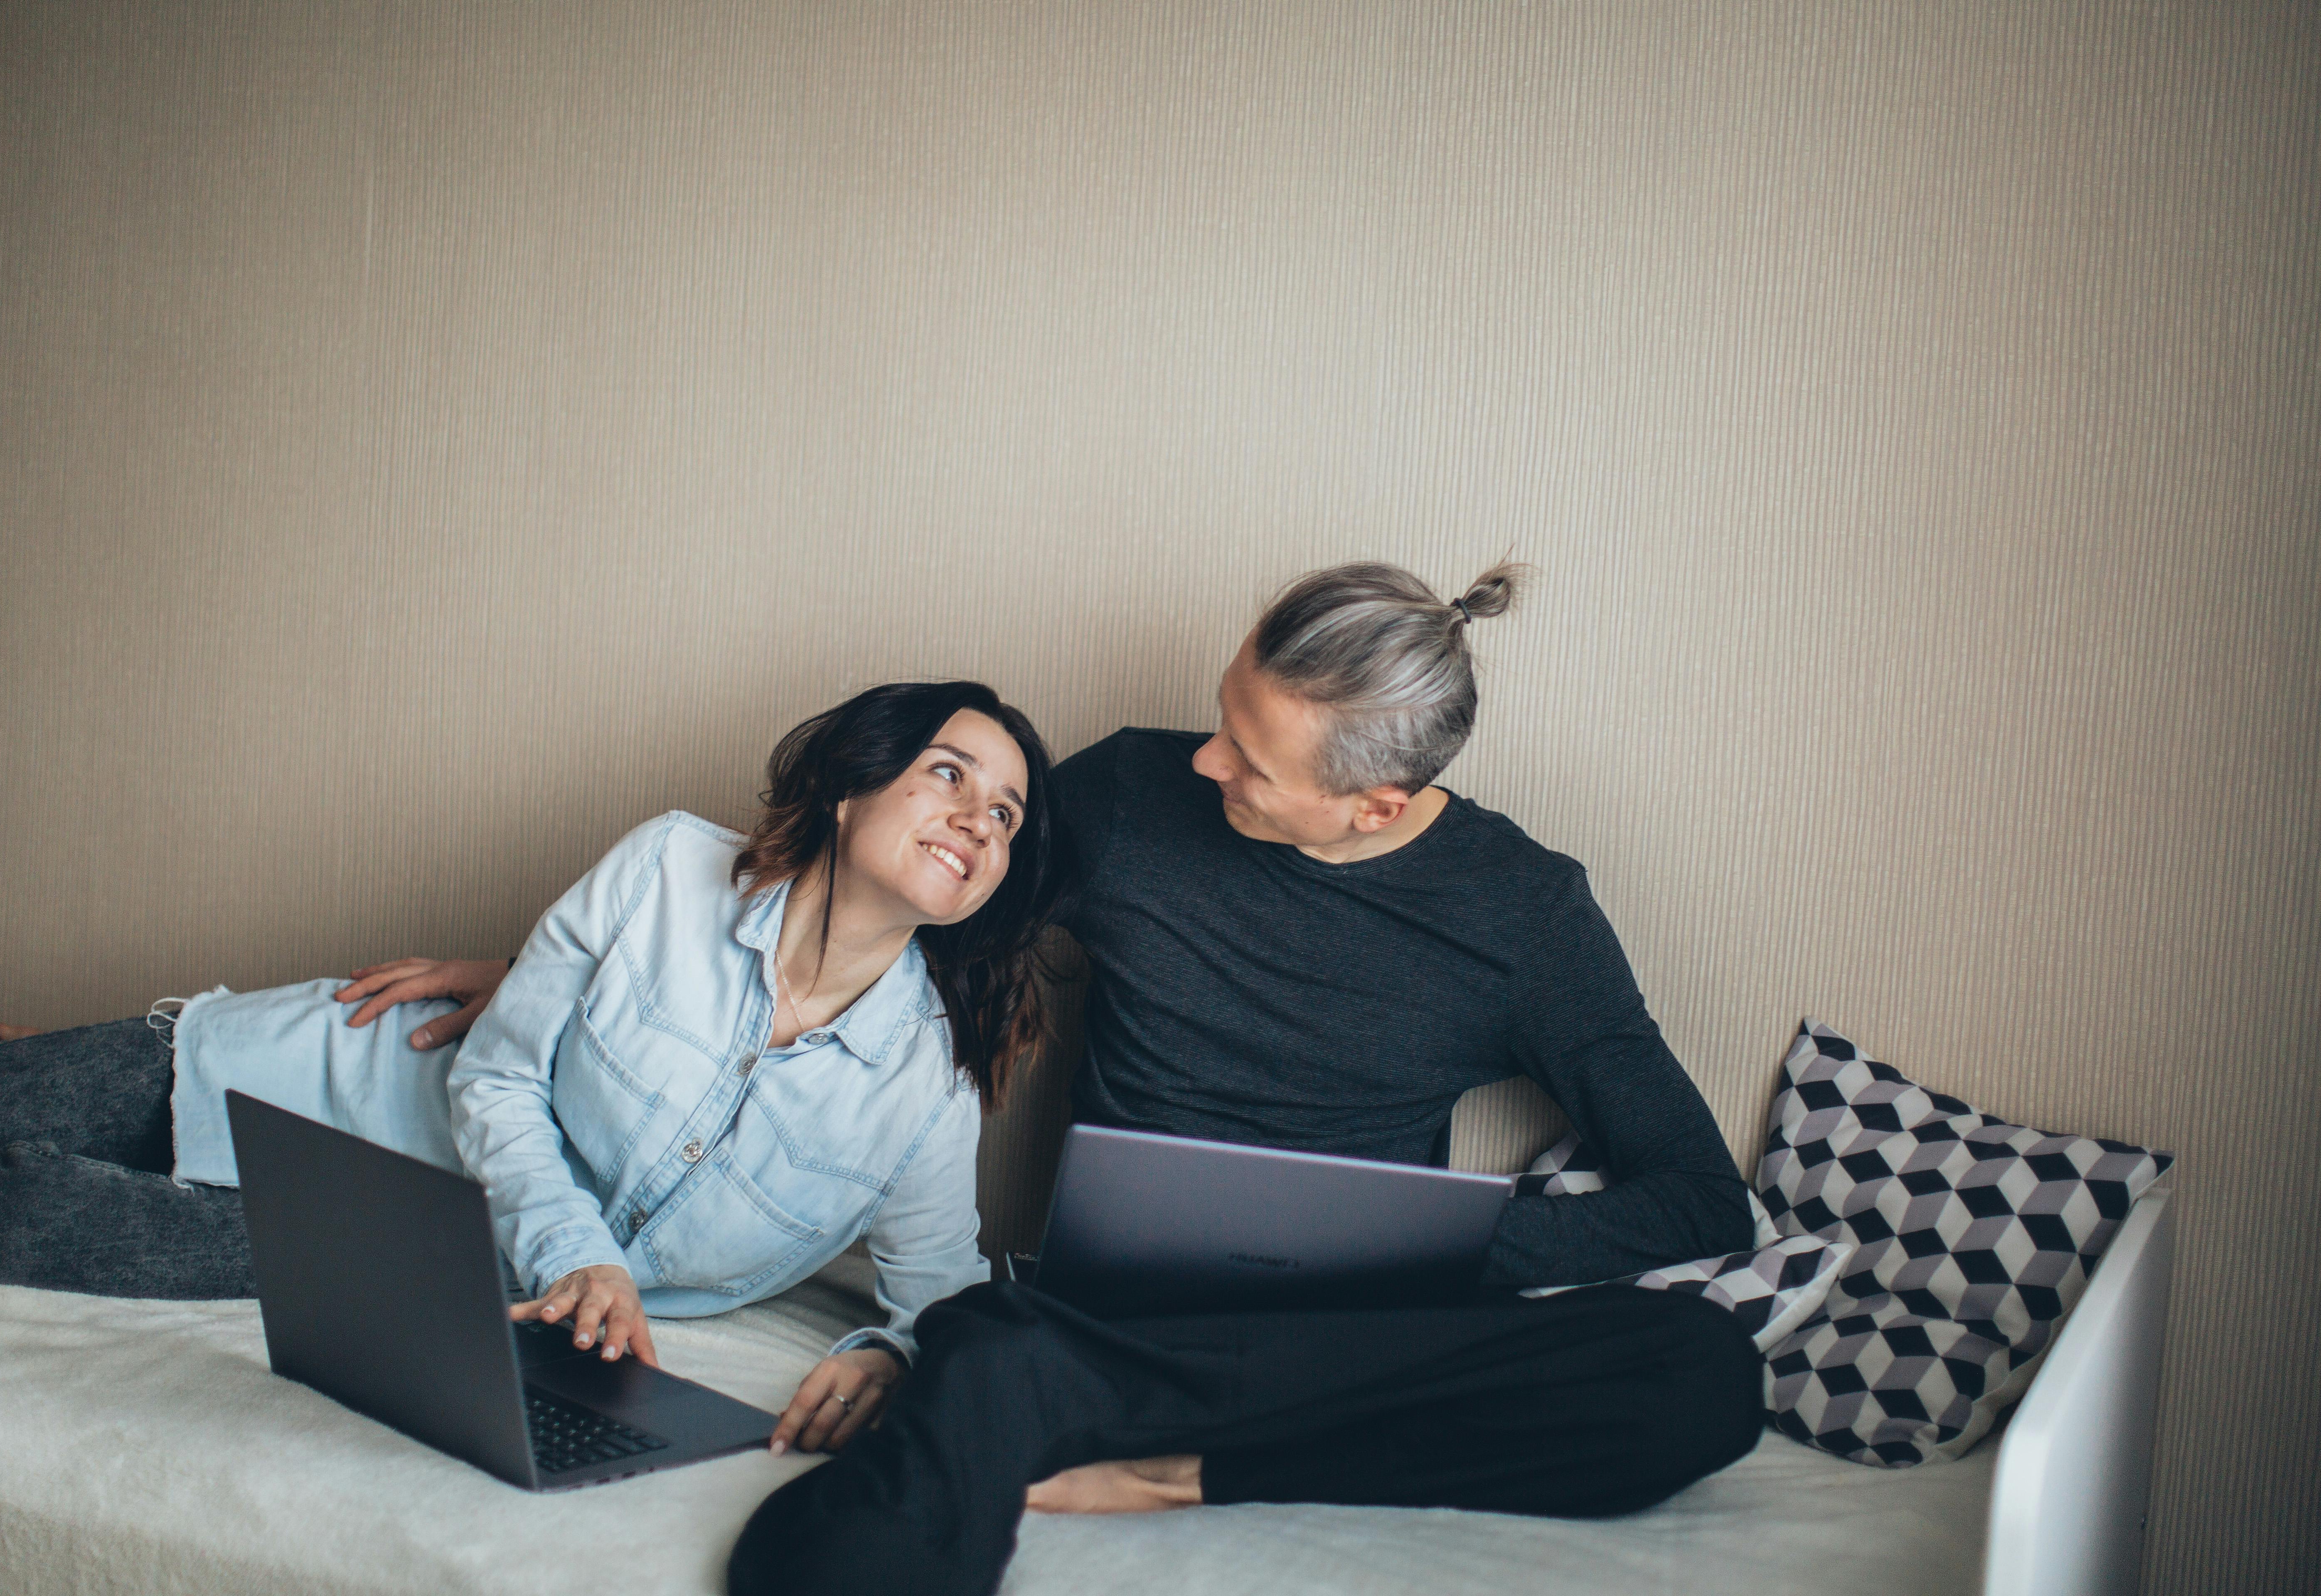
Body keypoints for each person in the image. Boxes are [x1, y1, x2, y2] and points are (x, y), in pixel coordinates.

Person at [724, 562, 1767, 1596]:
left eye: (1254, 762)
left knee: (1706, 1373)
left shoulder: (1526, 916)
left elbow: (1698, 1200)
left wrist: (1433, 1234)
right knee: (931, 1423)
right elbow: (924, 944)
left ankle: (1197, 1478)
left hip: (1359, 1357)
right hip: (1108, 1338)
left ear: (1375, 804)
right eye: (1225, 716)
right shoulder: (1131, 796)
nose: (1210, 758)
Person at [0, 680, 1062, 1457]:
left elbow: (944, 1299)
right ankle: (46, 1079)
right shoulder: (667, 869)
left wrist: (891, 1357)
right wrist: (587, 1259)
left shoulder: (925, 1087)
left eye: (1005, 814)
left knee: (6, 1228)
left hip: (409, 1249)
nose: (978, 820)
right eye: (949, 774)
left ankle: (32, 1133)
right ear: (854, 783)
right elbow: (499, 1078)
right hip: (346, 1079)